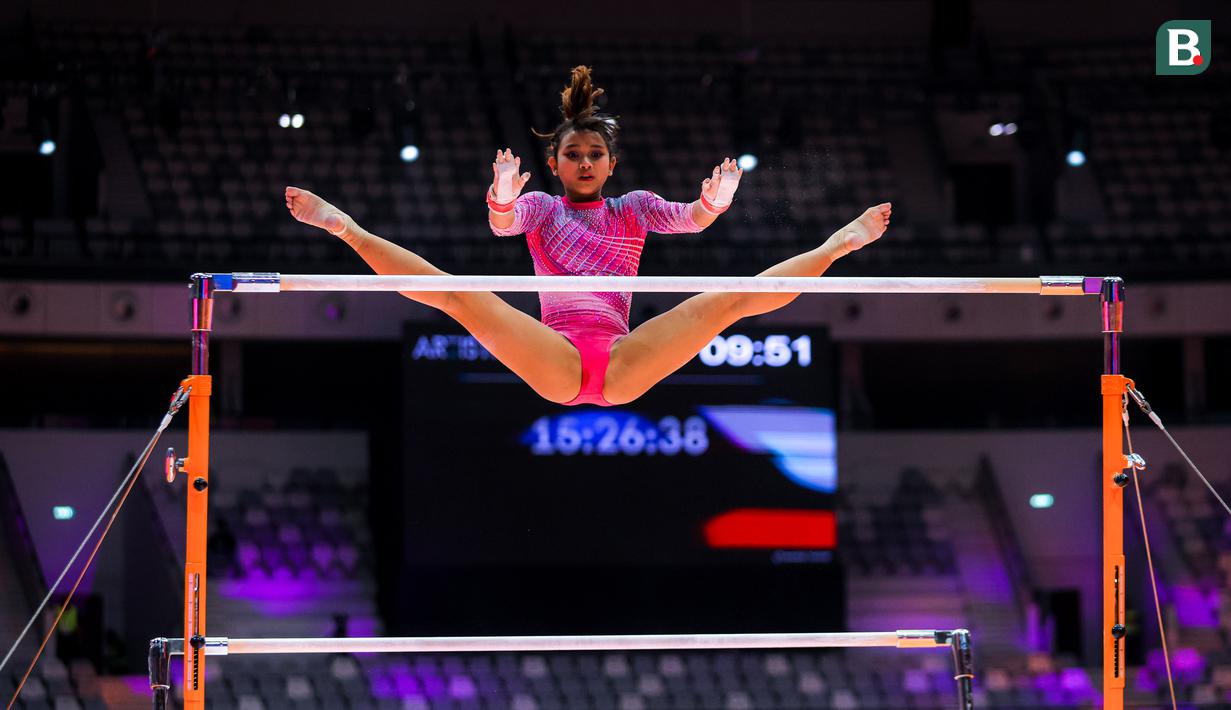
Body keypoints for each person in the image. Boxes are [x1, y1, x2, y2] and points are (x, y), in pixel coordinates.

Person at [286, 66, 890, 405]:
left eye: (594, 154)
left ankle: (838, 245)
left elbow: (691, 220)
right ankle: (346, 226)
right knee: (459, 296)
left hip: (623, 358)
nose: (583, 163)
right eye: (571, 154)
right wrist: (502, 194)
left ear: (610, 164)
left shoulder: (634, 208)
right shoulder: (543, 209)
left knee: (730, 299)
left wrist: (715, 201)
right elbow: (503, 224)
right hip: (559, 360)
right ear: (554, 164)